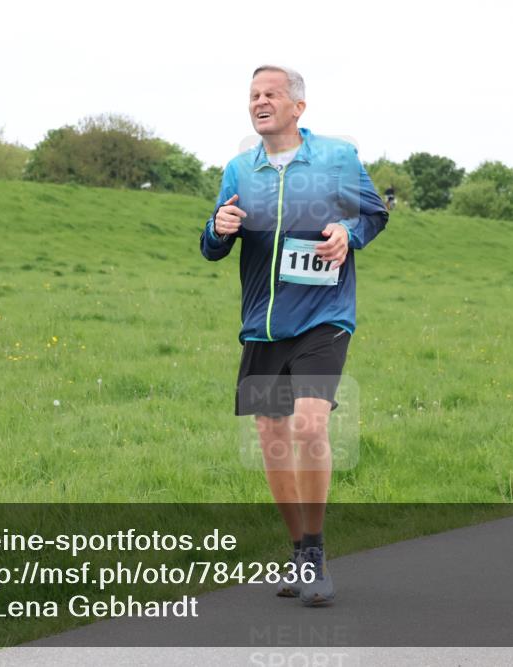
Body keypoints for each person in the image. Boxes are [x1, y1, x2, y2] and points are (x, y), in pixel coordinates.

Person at [200, 65, 388, 604]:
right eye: (253, 95)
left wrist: (346, 235)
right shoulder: (240, 169)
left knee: (308, 426)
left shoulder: (335, 159)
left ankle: (315, 549)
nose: (259, 101)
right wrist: (218, 228)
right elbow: (212, 245)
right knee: (272, 437)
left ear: (297, 106)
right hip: (262, 325)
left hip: (324, 315)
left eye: (271, 94)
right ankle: (299, 549)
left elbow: (374, 215)